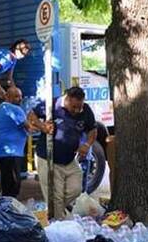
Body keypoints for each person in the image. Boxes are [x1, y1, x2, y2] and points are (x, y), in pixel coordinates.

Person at [29, 86, 97, 220]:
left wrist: (87, 144)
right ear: (66, 99)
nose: (77, 111)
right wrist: (43, 126)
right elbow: (31, 115)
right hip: (48, 159)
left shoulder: (86, 110)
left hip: (70, 159)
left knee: (76, 189)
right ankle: (58, 224)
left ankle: (55, 211)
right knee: (56, 196)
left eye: (80, 107)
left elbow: (93, 130)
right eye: (74, 107)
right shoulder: (52, 105)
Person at [0, 86, 31, 197]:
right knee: (13, 186)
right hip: (11, 153)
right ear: (8, 97)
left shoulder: (0, 108)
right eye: (16, 96)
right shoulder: (15, 109)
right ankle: (9, 209)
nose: (20, 99)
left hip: (1, 152)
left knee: (7, 183)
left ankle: (5, 208)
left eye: (20, 96)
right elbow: (28, 126)